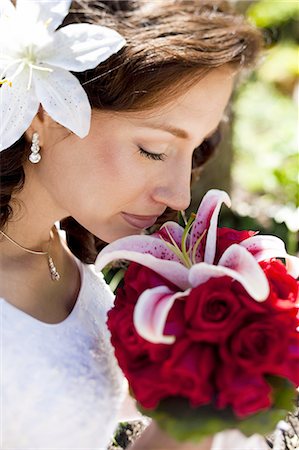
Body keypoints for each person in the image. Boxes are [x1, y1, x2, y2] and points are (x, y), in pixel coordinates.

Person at [0, 0, 276, 448]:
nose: (180, 196)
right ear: (43, 114)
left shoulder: (59, 250)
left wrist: (202, 393)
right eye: (153, 149)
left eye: (197, 149)